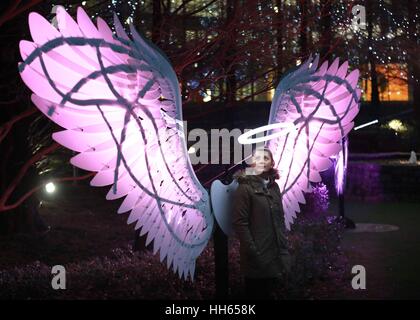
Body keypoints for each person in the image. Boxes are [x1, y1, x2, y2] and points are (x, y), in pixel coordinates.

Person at [232, 147, 291, 299]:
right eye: (257, 158)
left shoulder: (274, 187)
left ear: (272, 163)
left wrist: (284, 246)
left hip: (275, 255)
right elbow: (240, 223)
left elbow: (280, 218)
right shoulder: (244, 188)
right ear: (252, 163)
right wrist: (253, 251)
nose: (262, 161)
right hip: (257, 257)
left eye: (266, 158)